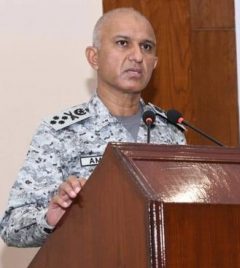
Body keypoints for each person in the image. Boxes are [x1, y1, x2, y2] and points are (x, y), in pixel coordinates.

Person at [0, 8, 186, 247]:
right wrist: (50, 218)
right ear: (93, 57)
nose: (137, 56)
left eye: (146, 47)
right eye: (123, 43)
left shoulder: (171, 131)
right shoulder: (60, 132)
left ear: (155, 63)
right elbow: (12, 226)